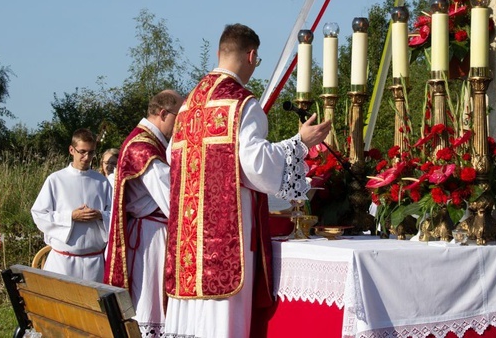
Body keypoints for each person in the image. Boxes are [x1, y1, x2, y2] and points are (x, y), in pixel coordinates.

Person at [163, 24, 332, 338]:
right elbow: (257, 167)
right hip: (226, 239)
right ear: (252, 55)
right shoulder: (241, 104)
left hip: (188, 242)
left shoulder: (188, 106)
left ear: (219, 52)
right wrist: (300, 142)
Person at [105, 90, 184, 337]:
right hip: (150, 238)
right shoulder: (143, 148)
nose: (180, 124)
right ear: (163, 113)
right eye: (178, 117)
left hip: (150, 232)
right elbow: (172, 198)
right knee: (150, 304)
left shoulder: (148, 142)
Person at [31, 128, 112, 282]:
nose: (87, 157)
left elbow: (115, 214)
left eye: (91, 152)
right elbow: (39, 214)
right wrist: (70, 217)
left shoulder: (102, 181)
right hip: (63, 262)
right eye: (82, 152)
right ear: (71, 150)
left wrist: (100, 215)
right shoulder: (56, 180)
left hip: (94, 262)